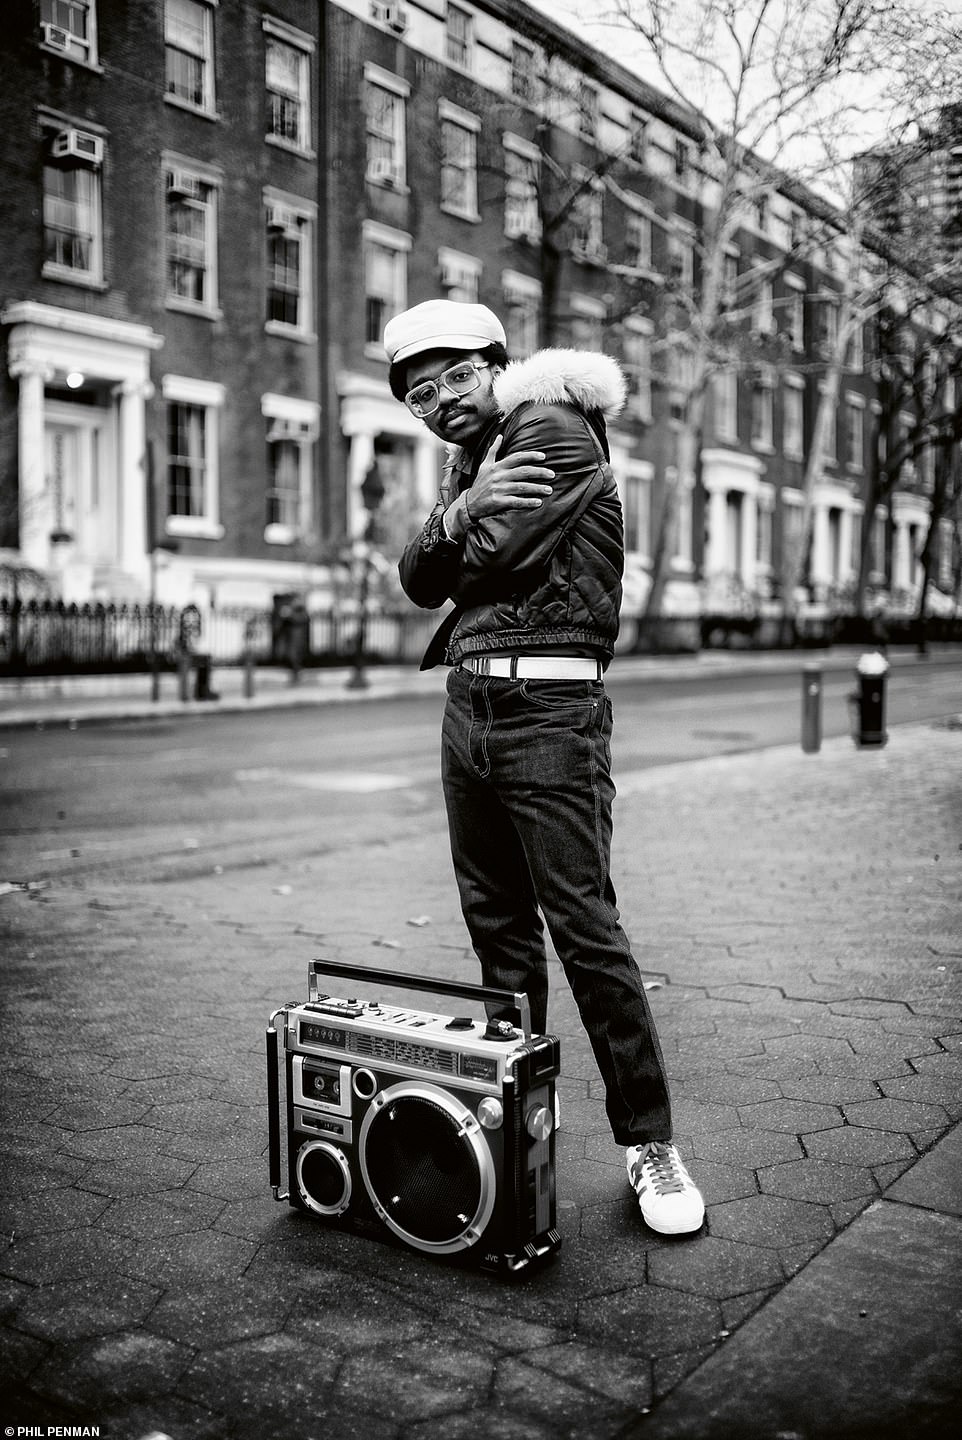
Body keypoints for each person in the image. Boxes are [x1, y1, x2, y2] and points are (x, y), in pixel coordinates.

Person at [386, 299, 704, 1237]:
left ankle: (651, 1144)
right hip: (471, 708)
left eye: (453, 378)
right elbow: (415, 578)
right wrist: (459, 509)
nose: (439, 401)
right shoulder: (473, 462)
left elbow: (482, 554)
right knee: (498, 930)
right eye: (417, 395)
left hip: (551, 713)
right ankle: (516, 1119)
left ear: (495, 362)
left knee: (583, 926)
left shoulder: (554, 427)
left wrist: (458, 523)